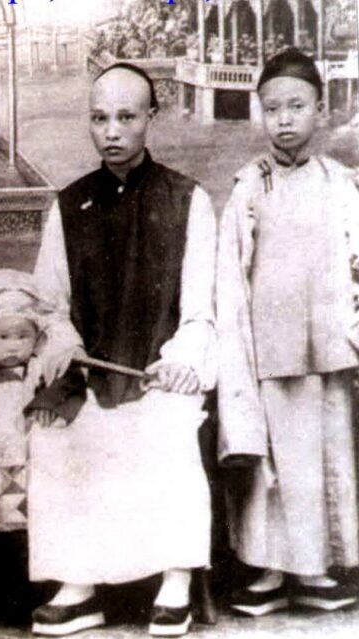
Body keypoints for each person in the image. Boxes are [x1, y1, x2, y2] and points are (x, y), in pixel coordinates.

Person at [28, 62, 217, 637]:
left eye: (126, 117)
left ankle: (175, 580)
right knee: (53, 432)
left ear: (149, 119)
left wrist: (183, 359)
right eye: (99, 118)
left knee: (166, 427)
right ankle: (80, 584)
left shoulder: (188, 200)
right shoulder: (67, 205)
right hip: (89, 370)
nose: (112, 130)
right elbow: (50, 305)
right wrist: (64, 343)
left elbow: (201, 309)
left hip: (159, 369)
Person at [217, 48, 359, 616]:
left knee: (326, 456)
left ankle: (320, 568)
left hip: (328, 350)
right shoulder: (249, 185)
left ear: (319, 111)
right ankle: (271, 569)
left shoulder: (341, 184)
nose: (283, 119)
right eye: (272, 107)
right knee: (275, 465)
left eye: (296, 106)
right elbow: (232, 269)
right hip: (270, 349)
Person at [0, 269, 84, 627]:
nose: (13, 344)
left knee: (27, 543)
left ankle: (25, 607)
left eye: (22, 336)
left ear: (36, 338)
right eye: (3, 336)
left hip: (28, 479)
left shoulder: (41, 377)